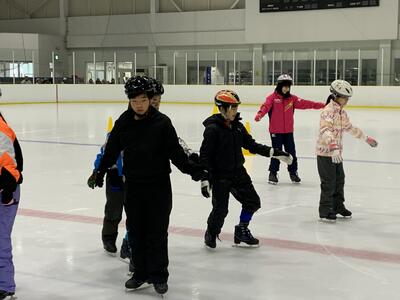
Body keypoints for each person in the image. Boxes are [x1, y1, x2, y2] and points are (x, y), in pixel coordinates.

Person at [89, 75, 206, 295]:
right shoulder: (123, 122)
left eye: (143, 100)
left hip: (158, 187)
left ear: (149, 98)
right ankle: (140, 273)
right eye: (134, 101)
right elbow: (111, 150)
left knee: (157, 233)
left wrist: (197, 172)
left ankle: (159, 276)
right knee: (136, 232)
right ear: (129, 101)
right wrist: (99, 172)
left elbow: (177, 155)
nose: (139, 105)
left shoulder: (162, 122)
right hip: (133, 187)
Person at [200, 90, 293, 249]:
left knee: (253, 202)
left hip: (238, 172)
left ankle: (241, 229)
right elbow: (205, 156)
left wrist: (275, 153)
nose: (235, 111)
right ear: (222, 109)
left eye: (236, 108)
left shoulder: (238, 127)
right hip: (220, 175)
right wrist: (205, 177)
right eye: (232, 108)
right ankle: (212, 231)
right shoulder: (212, 130)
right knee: (221, 210)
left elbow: (251, 146)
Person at [316, 80, 378, 222]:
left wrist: (365, 138)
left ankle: (338, 206)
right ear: (337, 96)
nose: (347, 101)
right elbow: (325, 130)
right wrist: (333, 147)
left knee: (339, 180)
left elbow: (350, 128)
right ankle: (325, 210)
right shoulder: (328, 111)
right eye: (345, 98)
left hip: (337, 154)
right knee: (329, 182)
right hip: (325, 153)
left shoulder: (341, 113)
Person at [255, 74, 325, 184]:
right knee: (276, 152)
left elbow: (307, 103)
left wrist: (323, 105)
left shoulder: (292, 99)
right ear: (279, 86)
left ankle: (293, 173)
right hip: (275, 132)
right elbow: (265, 106)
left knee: (291, 152)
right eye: (284, 86)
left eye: (288, 86)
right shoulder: (272, 98)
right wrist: (260, 114)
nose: (286, 88)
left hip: (288, 132)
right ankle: (273, 173)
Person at [87, 130, 130, 260]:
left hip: (134, 178)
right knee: (113, 210)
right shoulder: (115, 133)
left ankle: (130, 242)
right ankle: (108, 238)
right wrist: (97, 170)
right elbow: (103, 154)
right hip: (114, 177)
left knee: (135, 212)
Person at [0, 88, 23, 300]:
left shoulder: (1, 129)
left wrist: (7, 190)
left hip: (5, 190)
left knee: (0, 238)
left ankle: (5, 285)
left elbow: (10, 165)